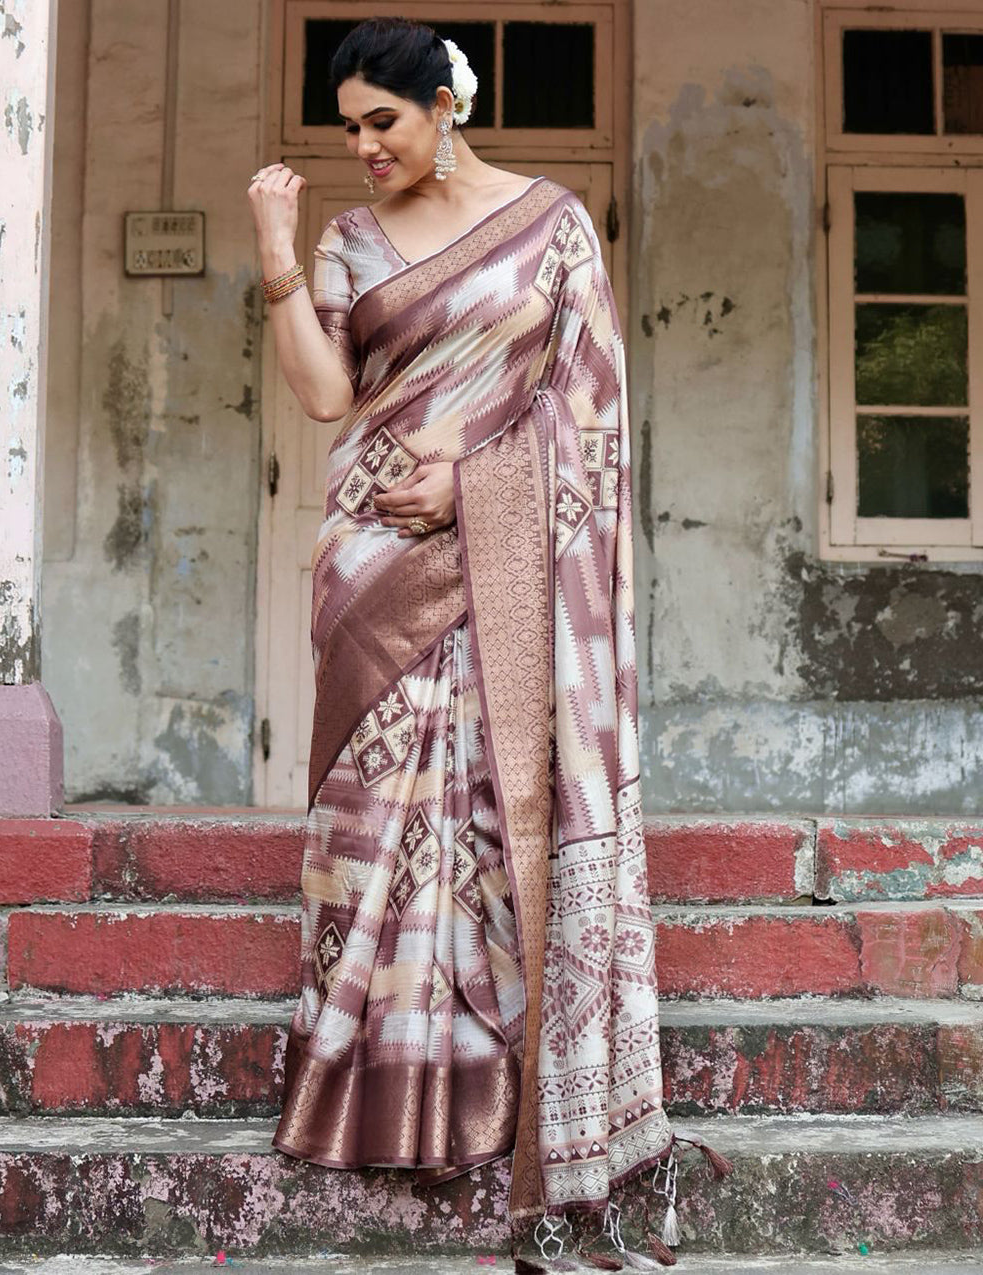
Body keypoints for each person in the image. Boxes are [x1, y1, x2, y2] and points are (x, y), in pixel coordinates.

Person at [247, 18, 727, 1269]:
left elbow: (593, 413)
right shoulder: (349, 239)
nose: (360, 148)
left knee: (498, 832)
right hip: (375, 573)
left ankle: (516, 1114)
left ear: (445, 106)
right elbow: (323, 397)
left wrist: (471, 470)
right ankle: (373, 1090)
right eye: (347, 125)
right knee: (376, 835)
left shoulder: (552, 225)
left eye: (381, 122)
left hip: (507, 567)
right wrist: (275, 261)